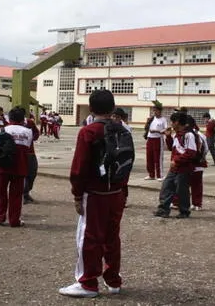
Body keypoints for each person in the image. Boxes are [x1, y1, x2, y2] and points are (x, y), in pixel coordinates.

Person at [59, 90, 124, 298]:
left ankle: (87, 283)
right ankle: (113, 280)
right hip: (116, 191)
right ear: (113, 107)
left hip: (95, 193)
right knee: (112, 237)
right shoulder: (123, 130)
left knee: (89, 237)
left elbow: (79, 167)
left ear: (92, 108)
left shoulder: (89, 132)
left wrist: (77, 195)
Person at [0, 107, 33, 227]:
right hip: (20, 167)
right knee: (16, 195)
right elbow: (28, 148)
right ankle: (14, 220)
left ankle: (0, 217)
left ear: (10, 117)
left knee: (1, 192)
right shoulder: (28, 132)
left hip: (4, 166)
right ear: (22, 118)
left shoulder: (2, 130)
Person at [154, 111, 197, 218]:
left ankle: (184, 211)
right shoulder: (177, 135)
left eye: (172, 122)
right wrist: (168, 137)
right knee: (167, 186)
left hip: (183, 168)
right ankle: (163, 209)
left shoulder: (188, 135)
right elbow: (171, 148)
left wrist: (177, 160)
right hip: (174, 168)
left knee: (181, 190)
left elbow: (191, 153)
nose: (171, 124)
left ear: (177, 122)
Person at [144, 101, 168, 181]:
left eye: (156, 110)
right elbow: (147, 128)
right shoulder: (151, 119)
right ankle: (151, 174)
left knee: (157, 157)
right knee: (149, 157)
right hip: (150, 138)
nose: (155, 112)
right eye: (154, 110)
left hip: (158, 139)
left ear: (160, 111)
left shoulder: (163, 119)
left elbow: (166, 129)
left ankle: (160, 175)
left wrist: (158, 131)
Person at [23, 110, 40, 204]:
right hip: (20, 154)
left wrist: (32, 138)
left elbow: (36, 132)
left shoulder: (29, 122)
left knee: (32, 172)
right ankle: (23, 194)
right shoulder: (12, 125)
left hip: (30, 152)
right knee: (22, 174)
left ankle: (26, 192)